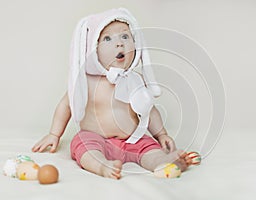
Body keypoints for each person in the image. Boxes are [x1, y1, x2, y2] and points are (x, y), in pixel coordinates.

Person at [32, 8, 199, 179]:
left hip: (132, 139)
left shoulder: (134, 79)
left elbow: (148, 109)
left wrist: (161, 134)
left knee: (149, 147)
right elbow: (66, 105)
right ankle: (102, 166)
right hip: (96, 139)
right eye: (107, 38)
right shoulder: (86, 82)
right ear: (91, 49)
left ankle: (164, 163)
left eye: (125, 36)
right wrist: (54, 134)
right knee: (82, 144)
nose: (119, 43)